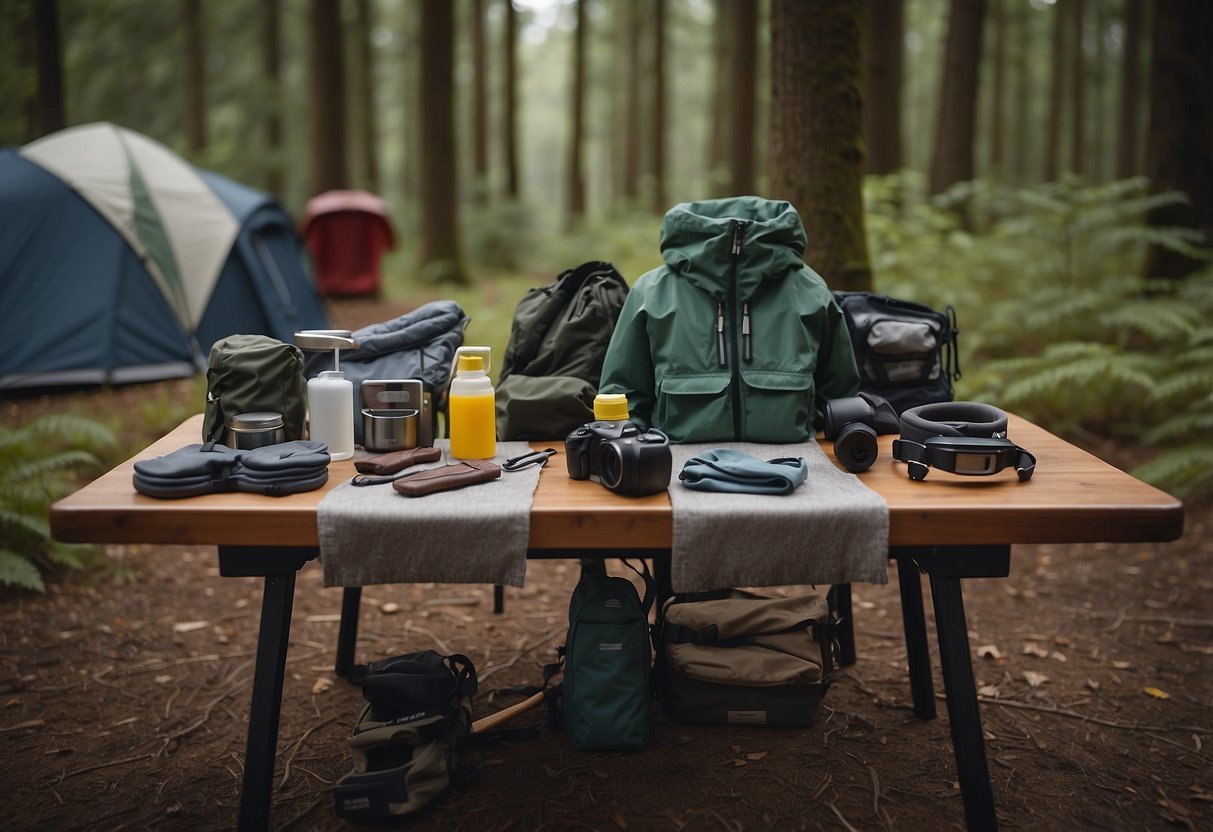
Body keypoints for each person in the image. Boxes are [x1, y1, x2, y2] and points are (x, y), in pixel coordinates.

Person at [599, 196, 860, 443]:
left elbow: (841, 395)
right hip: (671, 465)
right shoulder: (651, 292)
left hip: (803, 465)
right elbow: (623, 393)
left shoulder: (811, 291)